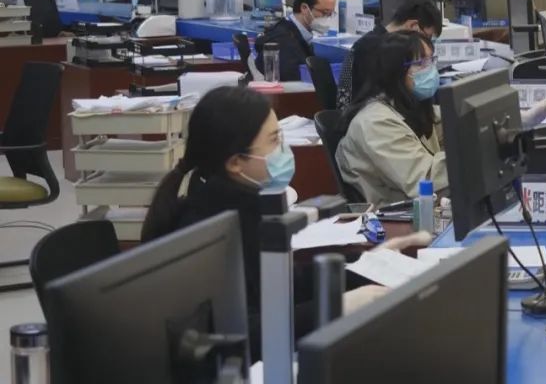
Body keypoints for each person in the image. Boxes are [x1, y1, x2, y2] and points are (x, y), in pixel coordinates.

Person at [140, 86, 383, 357]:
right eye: (274, 140)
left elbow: (283, 283)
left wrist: (368, 267)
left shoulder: (240, 205)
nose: (284, 150)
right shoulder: (209, 232)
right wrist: (337, 306)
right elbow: (244, 335)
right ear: (235, 162)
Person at [337, 31, 546, 208]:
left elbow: (466, 120)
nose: (430, 70)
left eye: (431, 60)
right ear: (394, 73)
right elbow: (425, 179)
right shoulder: (375, 123)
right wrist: (488, 146)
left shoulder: (411, 107)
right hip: (395, 222)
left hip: (428, 209)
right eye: (420, 63)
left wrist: (522, 119)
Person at [337, 0, 443, 108]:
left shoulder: (379, 42)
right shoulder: (372, 50)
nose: (427, 43)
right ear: (413, 26)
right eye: (428, 37)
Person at [255, 0, 337, 82]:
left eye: (331, 14)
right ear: (304, 8)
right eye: (324, 12)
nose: (327, 18)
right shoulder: (285, 42)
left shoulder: (292, 31)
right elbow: (293, 81)